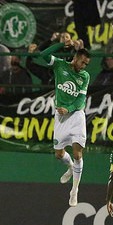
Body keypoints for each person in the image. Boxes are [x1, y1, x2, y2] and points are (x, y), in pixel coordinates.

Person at [38, 38, 90, 207]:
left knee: (77, 155)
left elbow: (81, 99)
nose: (83, 66)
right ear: (75, 58)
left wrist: (69, 108)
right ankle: (69, 168)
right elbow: (43, 54)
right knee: (59, 154)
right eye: (82, 62)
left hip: (76, 115)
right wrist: (62, 44)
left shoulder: (84, 76)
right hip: (60, 117)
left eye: (86, 64)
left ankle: (74, 190)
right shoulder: (60, 65)